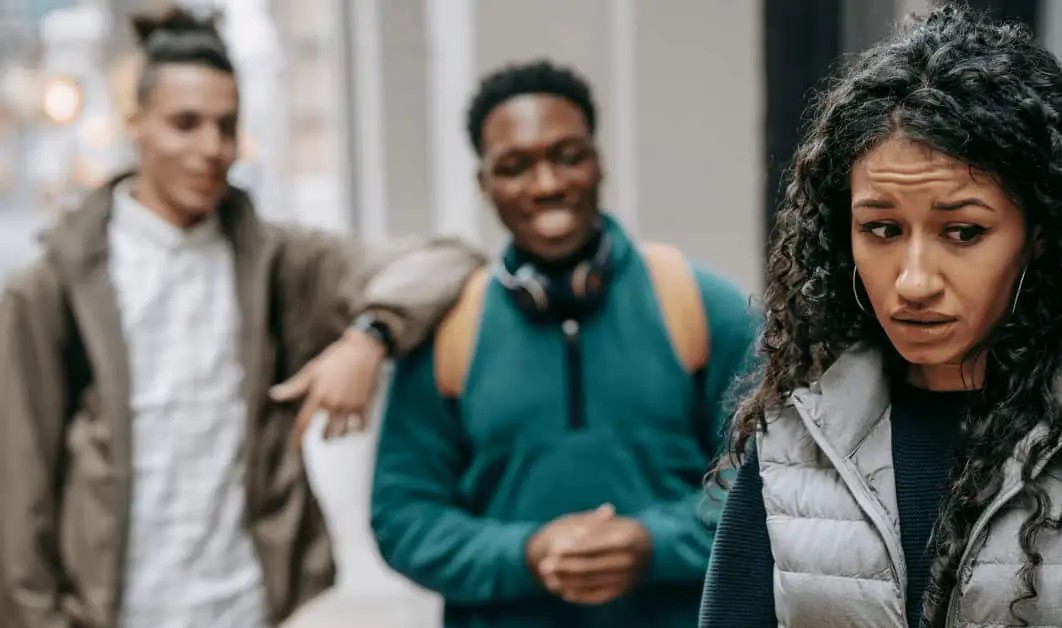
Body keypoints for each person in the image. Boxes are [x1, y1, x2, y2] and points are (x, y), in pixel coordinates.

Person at [700, 6, 1062, 628]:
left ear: (1039, 234)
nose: (913, 282)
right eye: (880, 229)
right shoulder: (797, 435)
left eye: (963, 232)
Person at [0, 8, 482, 628]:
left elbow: (446, 259)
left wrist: (370, 338)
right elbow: (19, 488)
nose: (212, 149)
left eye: (227, 127)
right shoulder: (54, 285)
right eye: (185, 124)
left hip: (244, 606)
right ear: (135, 127)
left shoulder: (276, 261)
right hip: (112, 612)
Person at [369, 59, 757, 628]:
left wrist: (651, 544)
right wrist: (526, 553)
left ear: (598, 162)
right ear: (484, 184)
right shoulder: (449, 328)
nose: (547, 184)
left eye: (567, 156)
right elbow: (402, 515)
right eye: (515, 166)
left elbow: (770, 482)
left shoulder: (705, 307)